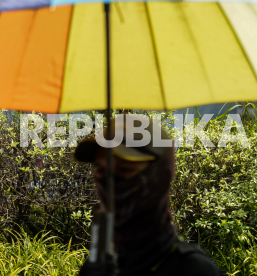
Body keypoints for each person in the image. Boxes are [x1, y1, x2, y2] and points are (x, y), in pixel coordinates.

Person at [74, 114, 221, 276]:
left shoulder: (194, 270)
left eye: (124, 169)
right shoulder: (99, 267)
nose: (108, 183)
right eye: (101, 170)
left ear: (158, 177)